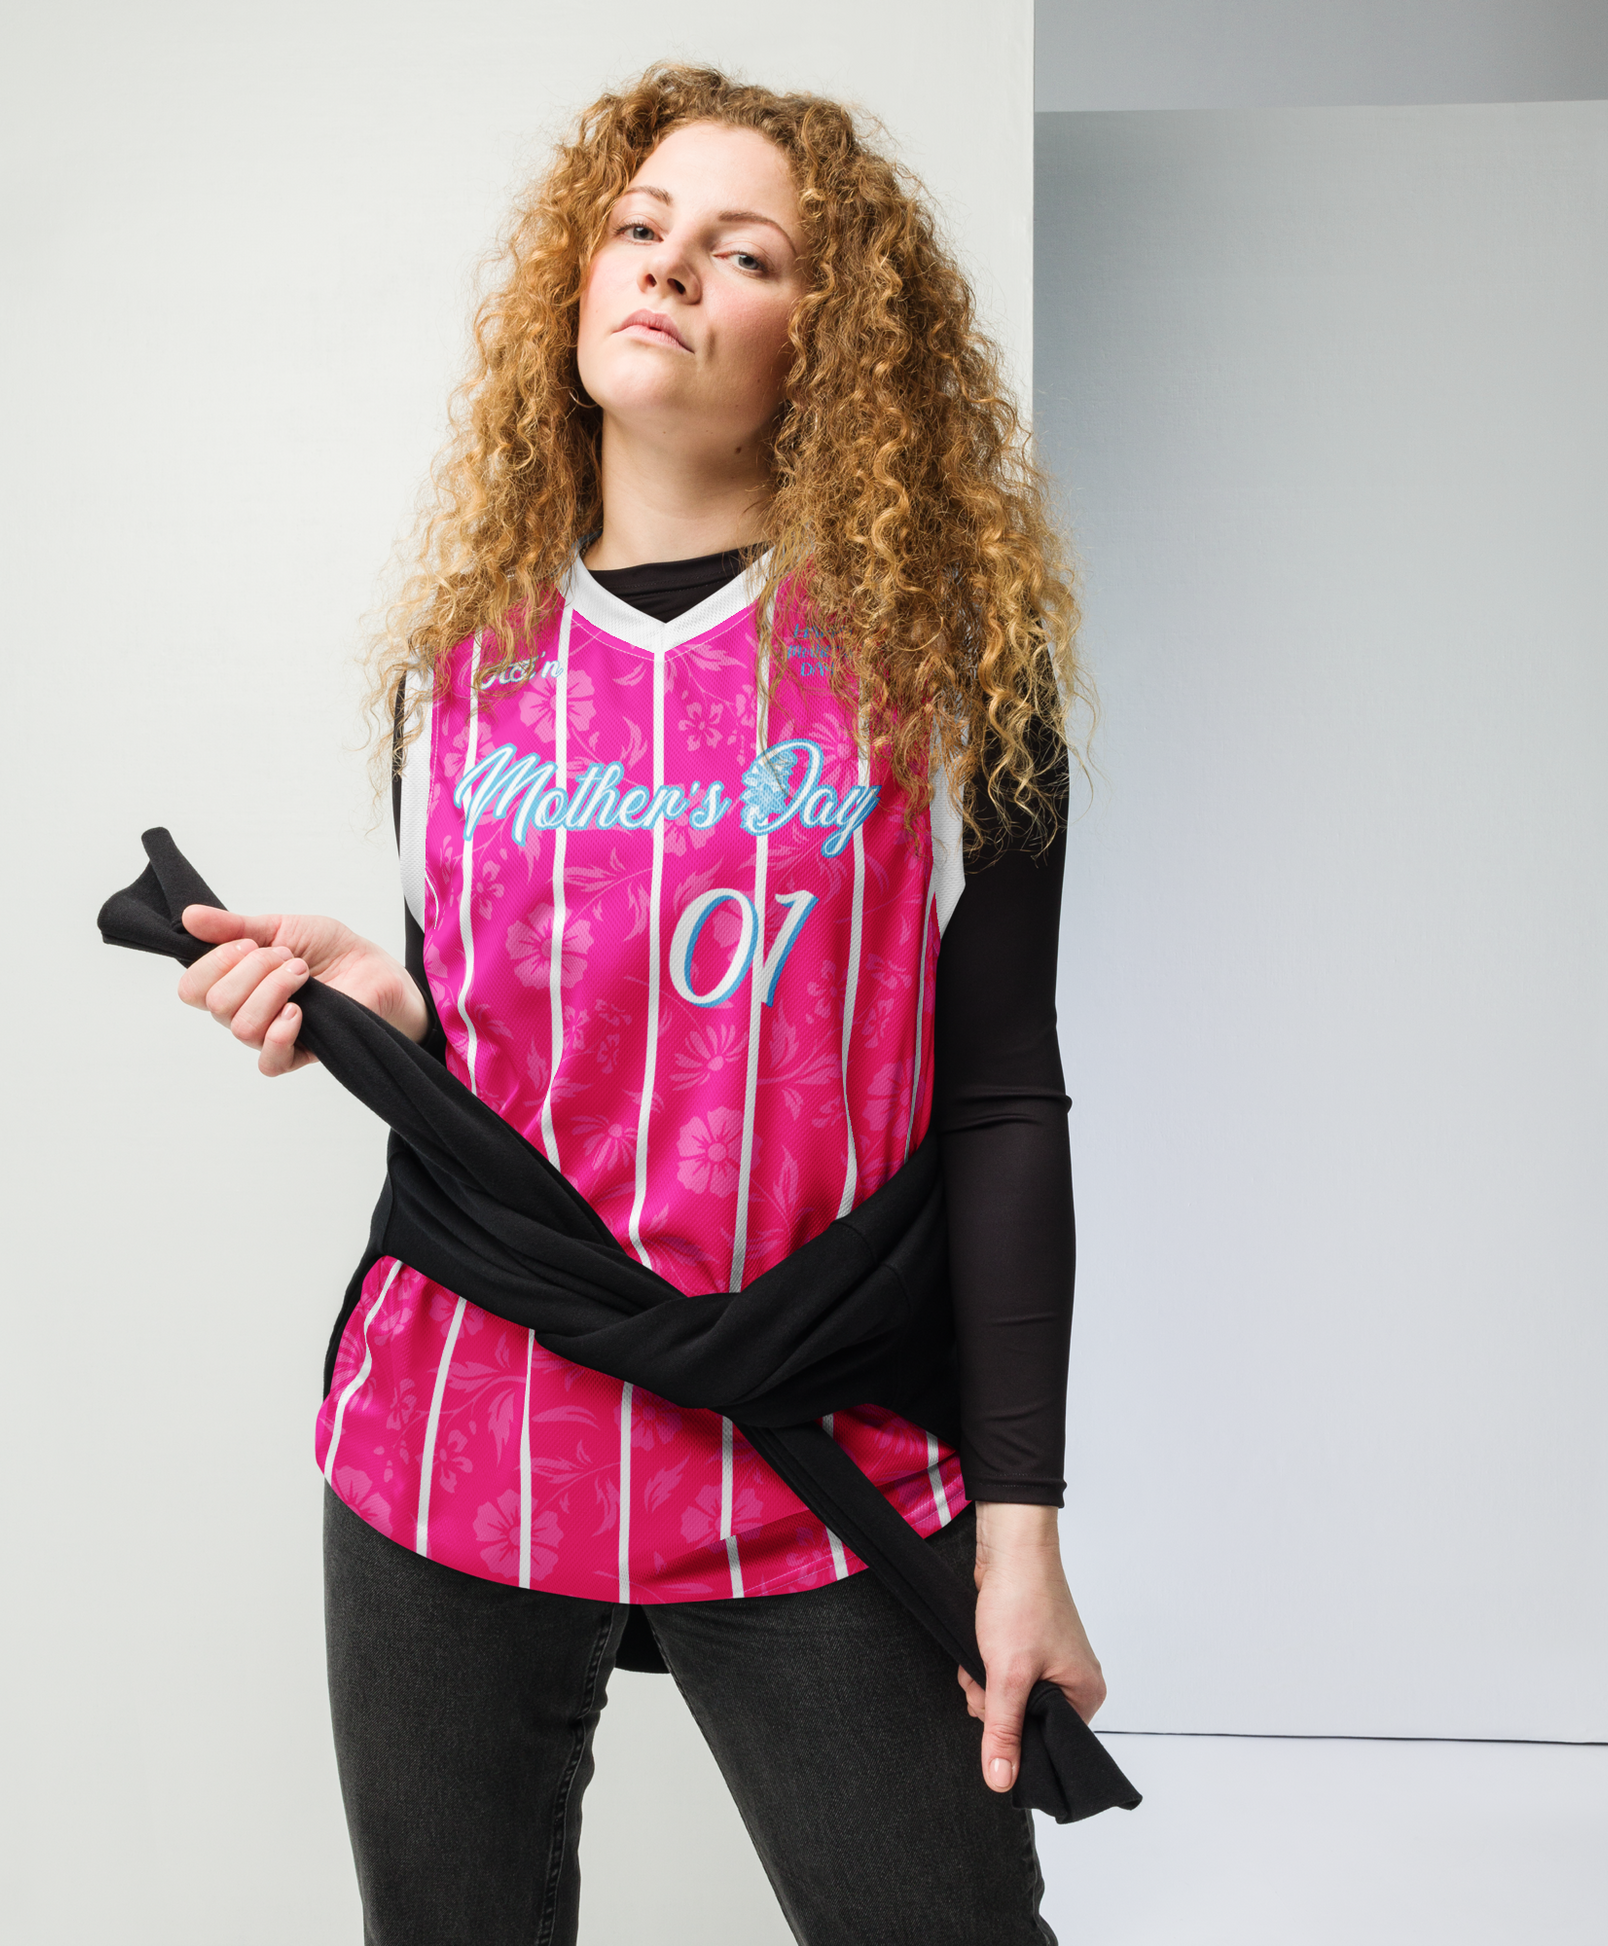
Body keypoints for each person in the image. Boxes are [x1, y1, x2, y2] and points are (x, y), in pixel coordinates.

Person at [173, 64, 1103, 1946]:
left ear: (829, 343)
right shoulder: (462, 661)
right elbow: (519, 1047)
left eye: (743, 253)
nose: (670, 267)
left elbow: (1004, 1097)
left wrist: (1021, 1534)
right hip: (461, 1429)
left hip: (811, 1440)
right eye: (639, 228)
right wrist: (386, 1011)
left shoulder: (948, 674)